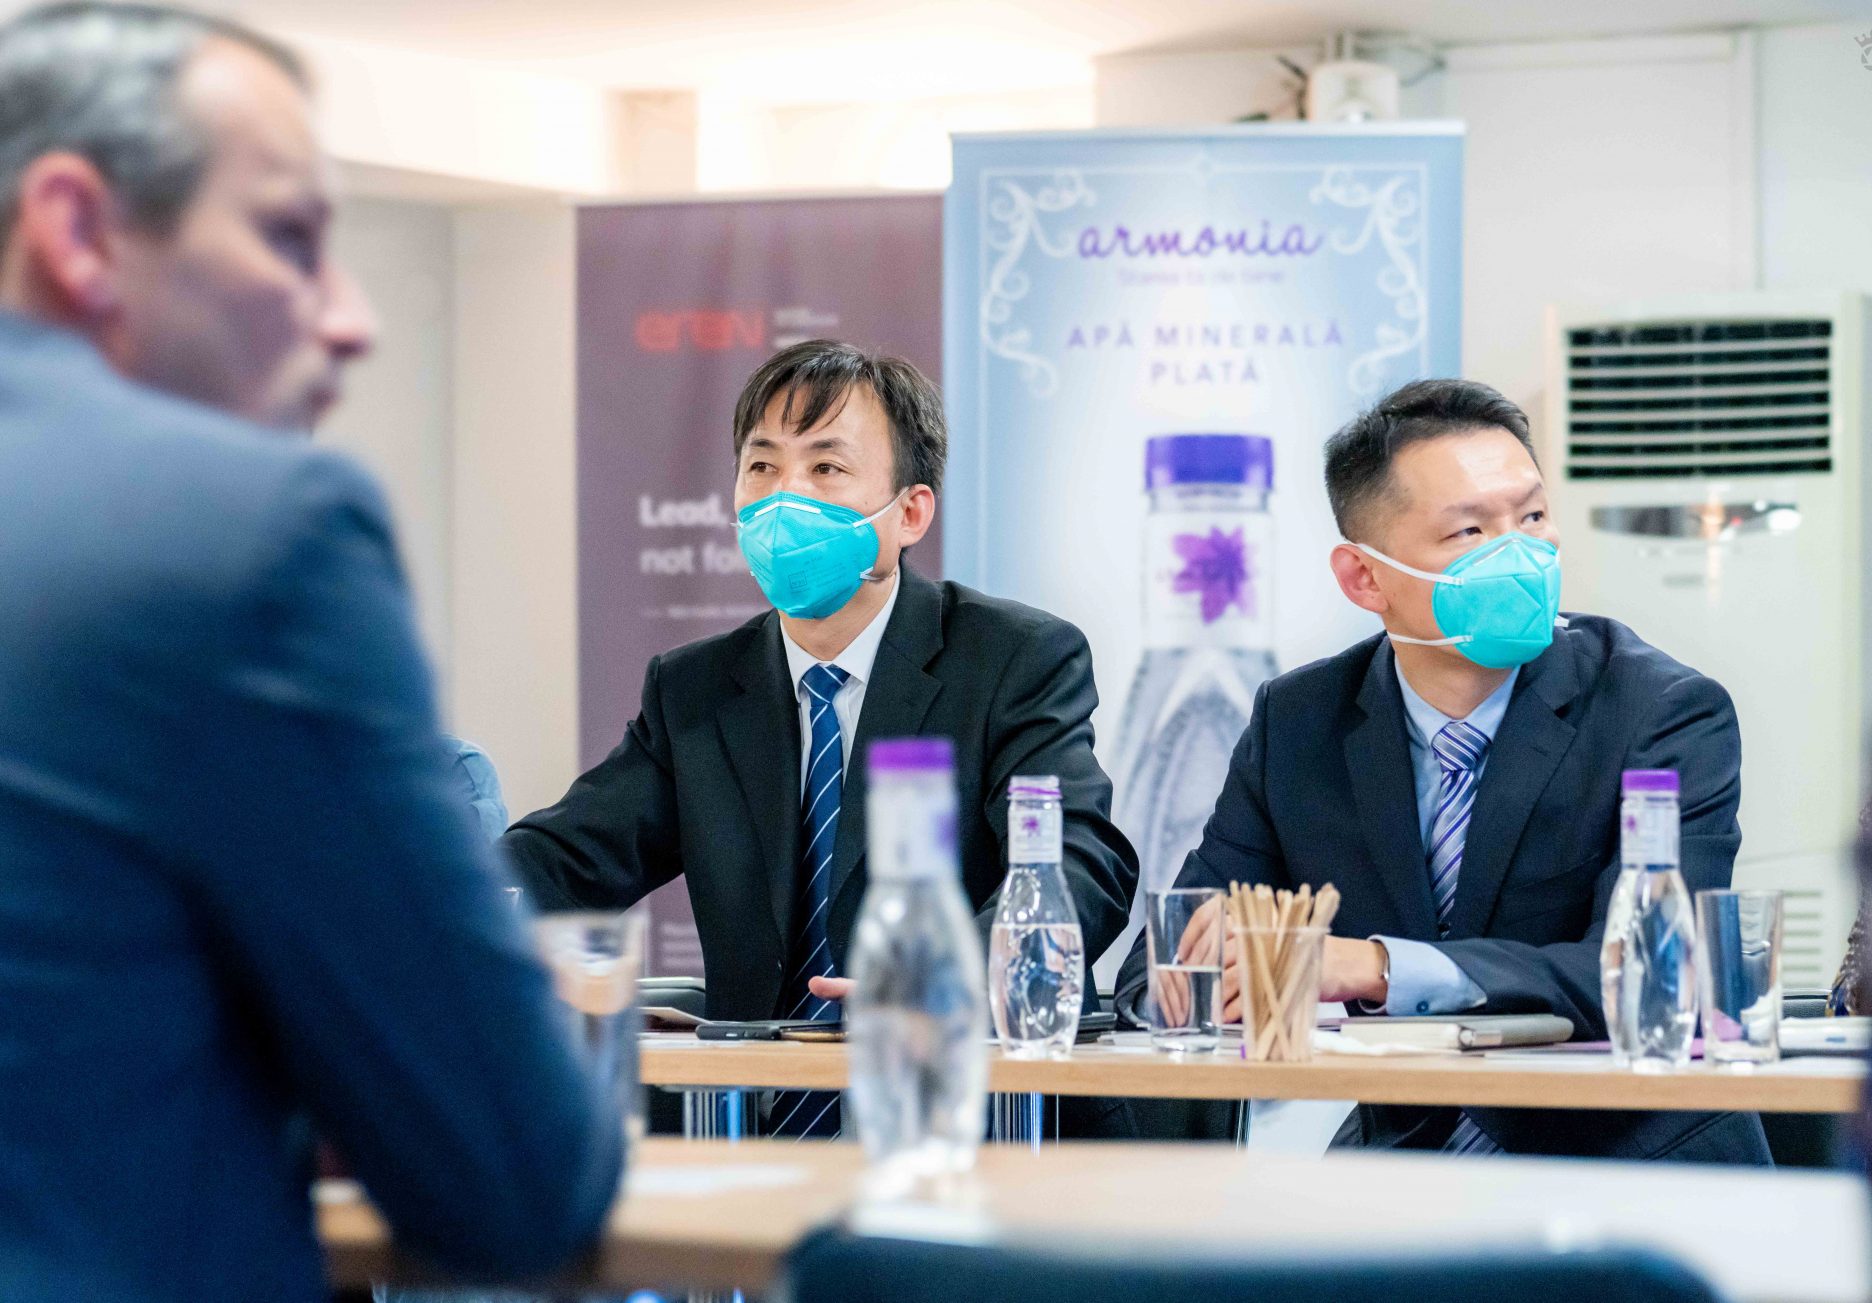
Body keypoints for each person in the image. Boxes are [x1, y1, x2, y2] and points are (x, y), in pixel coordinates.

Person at [0, 5, 624, 1300]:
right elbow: (516, 1178)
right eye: (290, 238)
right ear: (76, 229)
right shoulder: (246, 532)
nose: (350, 319)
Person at [1115, 378, 1769, 1162]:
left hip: (1626, 1159)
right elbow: (1153, 977)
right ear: (1365, 578)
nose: (1520, 553)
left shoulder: (1660, 712)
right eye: (1470, 531)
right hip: (1407, 1162)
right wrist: (1204, 972)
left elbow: (1648, 975)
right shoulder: (1300, 723)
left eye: (1532, 516)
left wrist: (1375, 966)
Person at [504, 339, 1138, 1137]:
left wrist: (942, 975)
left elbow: (1081, 863)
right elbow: (566, 860)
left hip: (975, 1118)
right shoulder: (696, 688)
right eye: (762, 466)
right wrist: (434, 900)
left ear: (909, 513)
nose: (784, 497)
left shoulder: (1011, 660)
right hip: (752, 1133)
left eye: (826, 467)